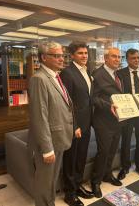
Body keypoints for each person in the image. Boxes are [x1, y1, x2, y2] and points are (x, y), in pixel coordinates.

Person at [28, 41, 75, 206]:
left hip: (60, 137)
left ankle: (50, 203)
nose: (62, 59)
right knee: (44, 183)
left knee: (52, 182)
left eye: (62, 55)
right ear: (44, 57)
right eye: (57, 56)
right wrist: (47, 149)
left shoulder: (56, 77)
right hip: (48, 143)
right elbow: (39, 116)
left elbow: (65, 107)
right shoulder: (39, 79)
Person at [60, 41, 94, 206]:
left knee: (81, 157)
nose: (84, 56)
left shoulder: (87, 71)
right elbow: (68, 103)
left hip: (87, 123)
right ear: (72, 55)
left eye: (86, 53)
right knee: (71, 159)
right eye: (80, 53)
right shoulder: (67, 73)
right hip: (76, 126)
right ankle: (69, 193)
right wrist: (75, 126)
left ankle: (78, 185)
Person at [91, 48, 124, 198]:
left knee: (112, 150)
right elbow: (93, 98)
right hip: (103, 121)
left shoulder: (117, 74)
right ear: (105, 58)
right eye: (114, 57)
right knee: (103, 152)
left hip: (117, 120)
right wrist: (108, 106)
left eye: (119, 57)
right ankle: (95, 181)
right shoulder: (97, 75)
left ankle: (107, 174)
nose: (117, 59)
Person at [117, 48, 139, 180]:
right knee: (125, 140)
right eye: (133, 58)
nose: (137, 60)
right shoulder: (120, 73)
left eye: (138, 57)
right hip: (128, 111)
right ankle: (124, 167)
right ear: (127, 60)